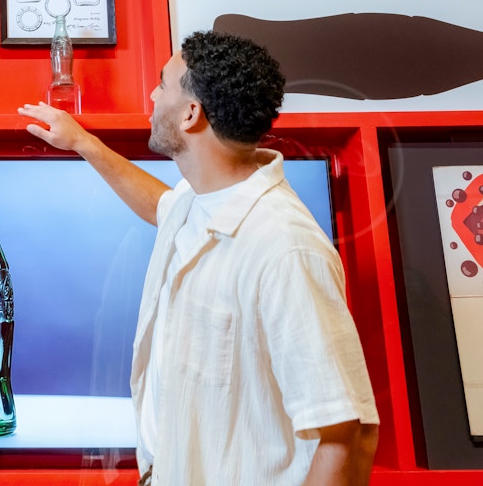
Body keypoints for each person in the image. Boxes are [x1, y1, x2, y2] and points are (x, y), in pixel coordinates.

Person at [19, 31, 379, 485]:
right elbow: (163, 205)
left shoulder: (285, 247)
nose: (152, 94)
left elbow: (345, 433)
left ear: (191, 113)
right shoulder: (200, 200)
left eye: (163, 84)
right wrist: (85, 144)